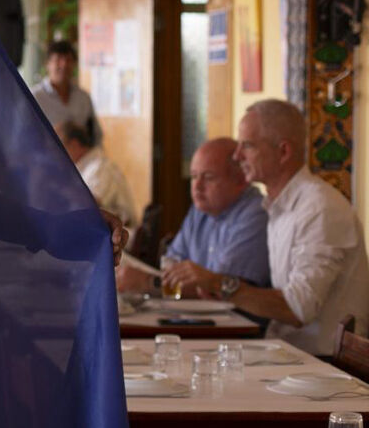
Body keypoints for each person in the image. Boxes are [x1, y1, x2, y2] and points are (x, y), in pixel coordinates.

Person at [181, 100, 369, 356]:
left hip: (324, 364)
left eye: (247, 145)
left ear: (283, 151)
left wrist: (219, 283)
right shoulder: (278, 205)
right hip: (286, 354)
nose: (237, 156)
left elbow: (298, 309)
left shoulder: (319, 208)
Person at [121, 138, 270, 295]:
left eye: (208, 177)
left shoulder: (256, 214)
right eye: (193, 176)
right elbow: (172, 267)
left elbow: (223, 291)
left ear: (241, 180)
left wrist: (149, 282)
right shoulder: (200, 211)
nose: (197, 186)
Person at [57, 121, 137, 227]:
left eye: (60, 147)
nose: (57, 154)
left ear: (74, 144)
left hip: (120, 232)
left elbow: (89, 204)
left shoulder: (100, 167)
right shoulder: (83, 168)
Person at [33, 40, 101, 142]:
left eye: (68, 60)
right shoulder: (35, 97)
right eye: (58, 60)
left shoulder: (83, 98)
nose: (64, 65)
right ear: (47, 64)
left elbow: (95, 135)